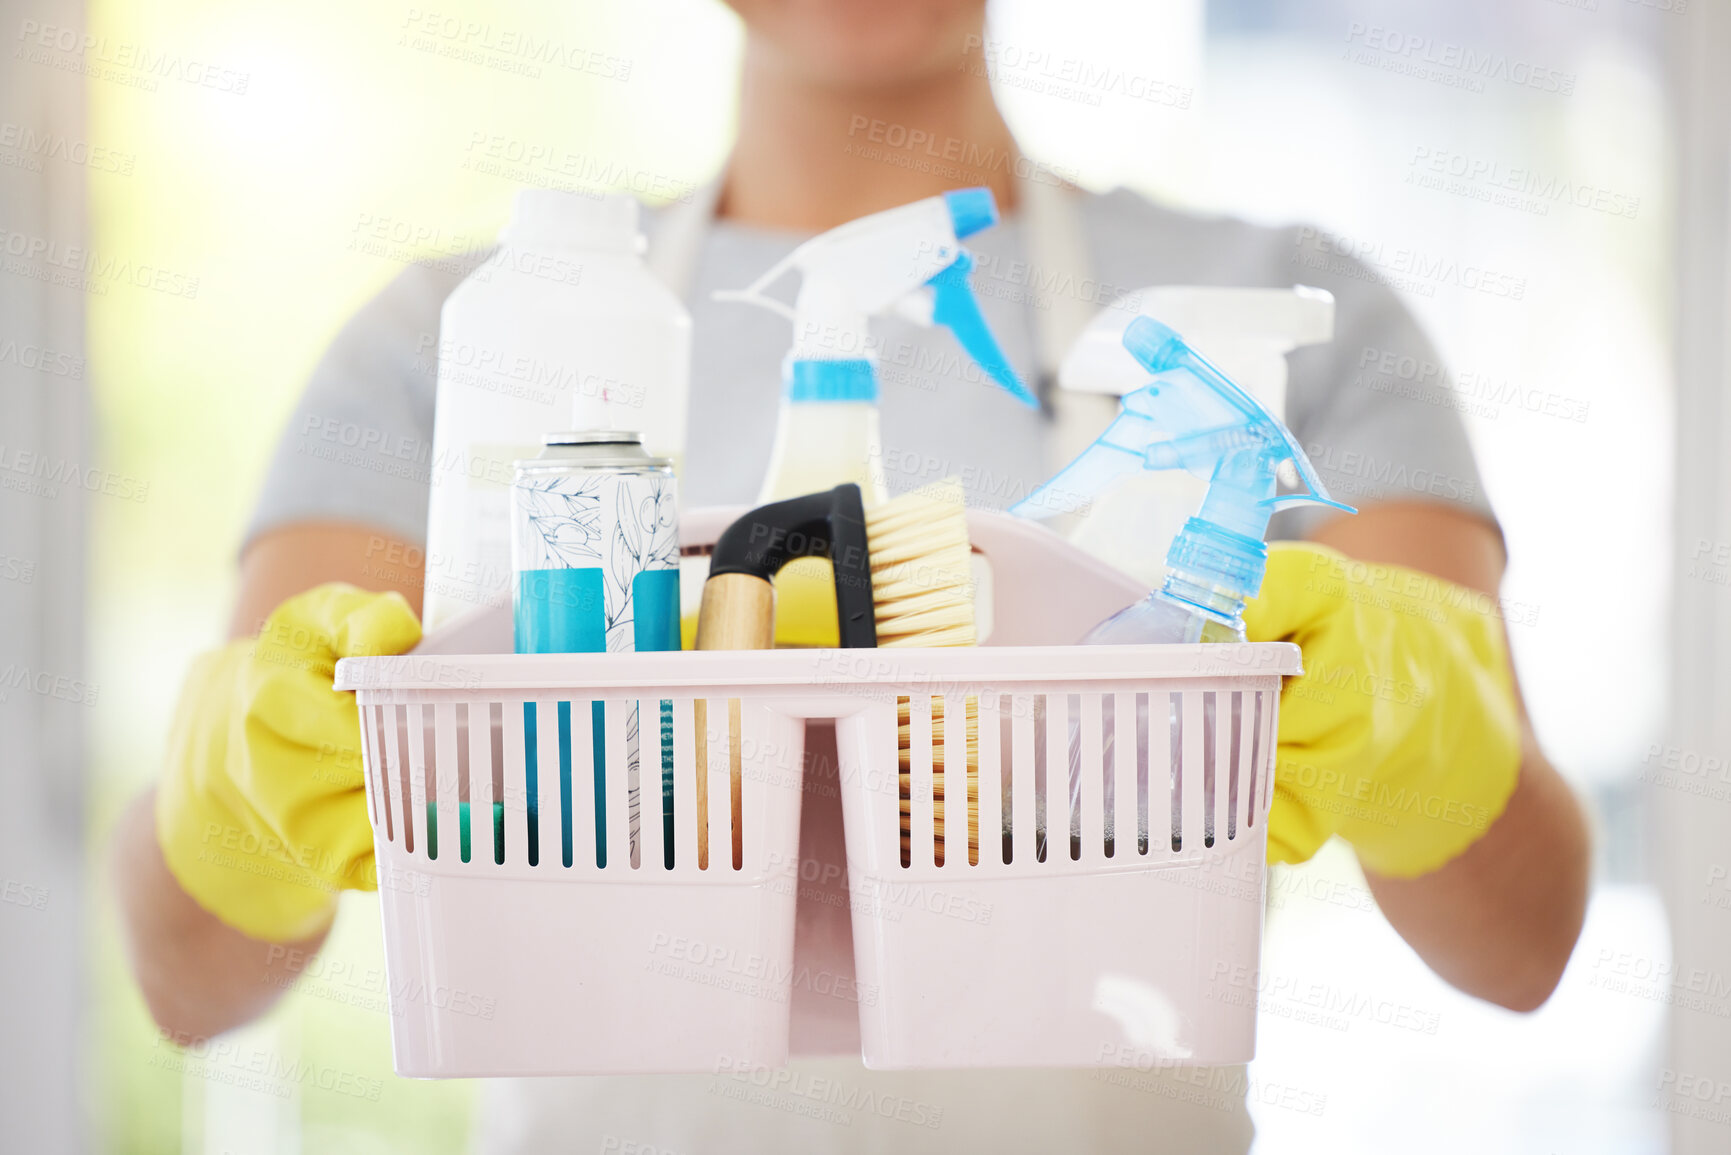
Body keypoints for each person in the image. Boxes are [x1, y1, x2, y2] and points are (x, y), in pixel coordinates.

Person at [112, 1, 1591, 1150]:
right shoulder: (460, 336)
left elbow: (1523, 945)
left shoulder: (1279, 317)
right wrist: (248, 783)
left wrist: (1411, 709)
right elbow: (188, 980)